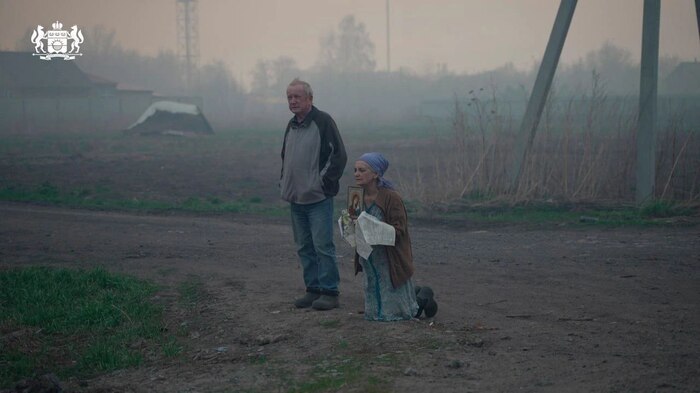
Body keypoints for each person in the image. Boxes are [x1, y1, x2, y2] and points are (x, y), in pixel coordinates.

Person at [280, 78, 347, 311]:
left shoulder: (323, 121)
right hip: (295, 198)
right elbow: (285, 157)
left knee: (322, 246)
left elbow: (338, 156)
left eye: (297, 96)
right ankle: (313, 289)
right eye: (289, 97)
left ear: (310, 98)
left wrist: (320, 184)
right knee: (303, 247)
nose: (293, 101)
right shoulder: (292, 125)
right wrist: (285, 183)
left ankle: (330, 292)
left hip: (318, 198)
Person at [352, 152, 437, 321]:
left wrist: (375, 229)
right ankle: (415, 292)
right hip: (369, 257)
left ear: (376, 173)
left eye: (362, 170)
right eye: (355, 170)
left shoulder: (391, 197)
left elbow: (400, 231)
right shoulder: (355, 195)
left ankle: (425, 298)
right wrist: (348, 227)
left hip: (389, 257)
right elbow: (353, 224)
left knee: (401, 313)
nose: (356, 174)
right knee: (375, 307)